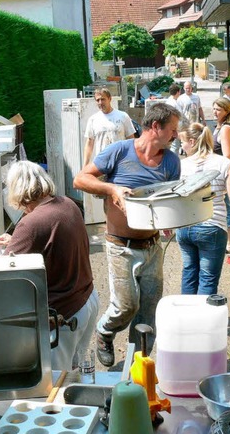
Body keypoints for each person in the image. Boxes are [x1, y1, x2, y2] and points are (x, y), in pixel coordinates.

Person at [74, 103, 181, 367]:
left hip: (153, 247)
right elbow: (80, 179)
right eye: (173, 130)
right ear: (155, 127)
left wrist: (171, 219)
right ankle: (105, 332)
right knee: (126, 306)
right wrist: (112, 189)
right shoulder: (120, 151)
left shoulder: (171, 161)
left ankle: (138, 365)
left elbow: (172, 198)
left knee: (147, 313)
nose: (176, 135)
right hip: (120, 246)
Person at [0, 161, 99, 371]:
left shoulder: (31, 223)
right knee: (76, 373)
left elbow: (6, 273)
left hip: (63, 314)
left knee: (56, 383)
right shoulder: (68, 204)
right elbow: (48, 242)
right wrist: (15, 239)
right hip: (87, 300)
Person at [177, 123, 230, 294]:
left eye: (183, 142)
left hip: (185, 228)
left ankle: (187, 318)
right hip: (212, 227)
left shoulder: (182, 165)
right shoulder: (224, 164)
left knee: (189, 274)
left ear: (193, 141)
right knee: (208, 278)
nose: (181, 146)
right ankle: (204, 319)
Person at [212, 98, 230, 253]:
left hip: (224, 171)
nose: (215, 112)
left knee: (226, 205)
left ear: (227, 111)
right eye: (214, 108)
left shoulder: (225, 129)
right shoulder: (219, 127)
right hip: (221, 170)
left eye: (219, 109)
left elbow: (227, 155)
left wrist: (223, 174)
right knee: (227, 204)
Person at [83, 87, 135, 167]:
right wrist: (85, 167)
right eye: (98, 100)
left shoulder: (123, 116)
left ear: (110, 99)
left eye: (103, 99)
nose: (100, 102)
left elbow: (131, 140)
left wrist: (132, 162)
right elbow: (90, 143)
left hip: (120, 163)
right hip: (101, 165)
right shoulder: (93, 119)